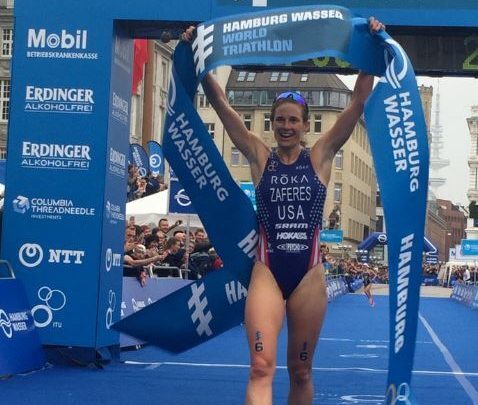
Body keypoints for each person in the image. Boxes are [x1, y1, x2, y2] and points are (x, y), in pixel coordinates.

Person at [182, 17, 384, 404]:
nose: (286, 127)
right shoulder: (260, 156)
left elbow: (358, 101)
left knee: (301, 371)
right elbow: (222, 104)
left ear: (306, 125)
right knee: (260, 367)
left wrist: (370, 48)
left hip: (309, 276)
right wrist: (199, 56)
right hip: (267, 273)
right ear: (272, 124)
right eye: (280, 120)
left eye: (293, 120)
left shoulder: (321, 156)